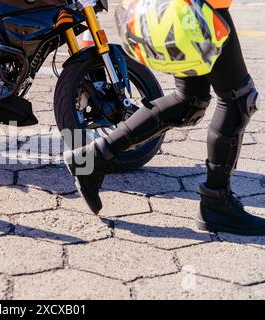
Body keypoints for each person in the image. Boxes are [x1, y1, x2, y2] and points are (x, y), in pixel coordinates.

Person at [65, 0, 264, 236]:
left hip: (181, 11)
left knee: (189, 101)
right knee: (238, 99)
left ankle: (93, 158)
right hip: (199, 10)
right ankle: (217, 203)